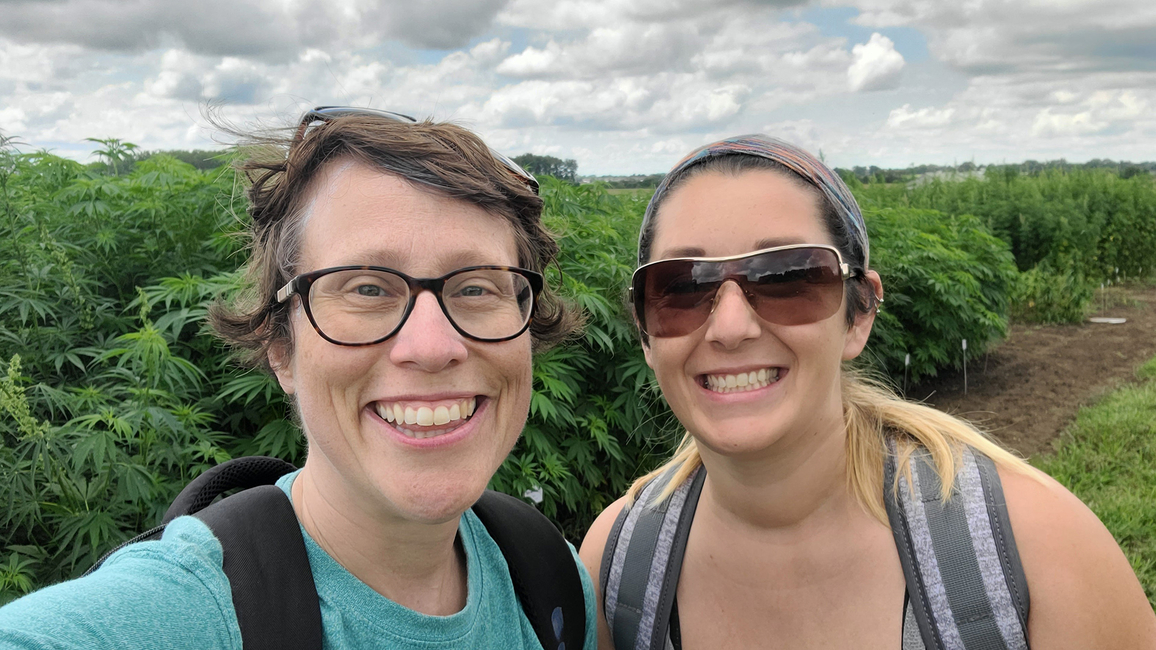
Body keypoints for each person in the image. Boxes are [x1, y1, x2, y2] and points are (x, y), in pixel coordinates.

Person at [0, 107, 596, 649]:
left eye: (476, 287)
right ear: (280, 347)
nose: (434, 347)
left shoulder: (551, 578)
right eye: (367, 288)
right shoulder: (183, 613)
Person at [579, 135, 1156, 649]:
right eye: (680, 287)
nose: (730, 328)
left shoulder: (1034, 550)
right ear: (646, 334)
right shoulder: (618, 563)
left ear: (859, 313)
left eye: (787, 278)